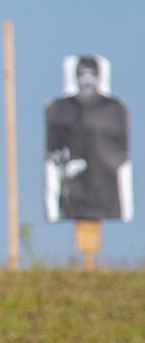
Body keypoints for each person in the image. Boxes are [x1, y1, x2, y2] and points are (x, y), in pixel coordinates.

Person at [45, 55, 133, 222]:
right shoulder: (60, 108)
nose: (87, 80)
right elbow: (52, 149)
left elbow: (122, 152)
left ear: (98, 77)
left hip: (105, 189)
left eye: (91, 75)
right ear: (76, 77)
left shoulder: (115, 109)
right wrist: (66, 164)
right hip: (74, 190)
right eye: (82, 75)